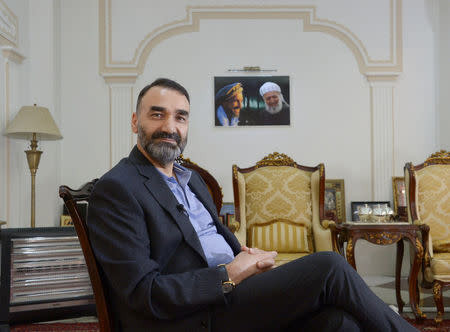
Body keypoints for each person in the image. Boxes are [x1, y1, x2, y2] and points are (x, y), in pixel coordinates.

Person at [87, 78, 419, 332]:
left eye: (181, 117)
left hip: (231, 294)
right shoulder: (118, 188)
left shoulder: (193, 180)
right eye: (157, 115)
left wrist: (248, 260)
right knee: (329, 267)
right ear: (135, 122)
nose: (170, 127)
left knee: (339, 322)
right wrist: (231, 272)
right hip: (191, 316)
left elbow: (203, 243)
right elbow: (143, 293)